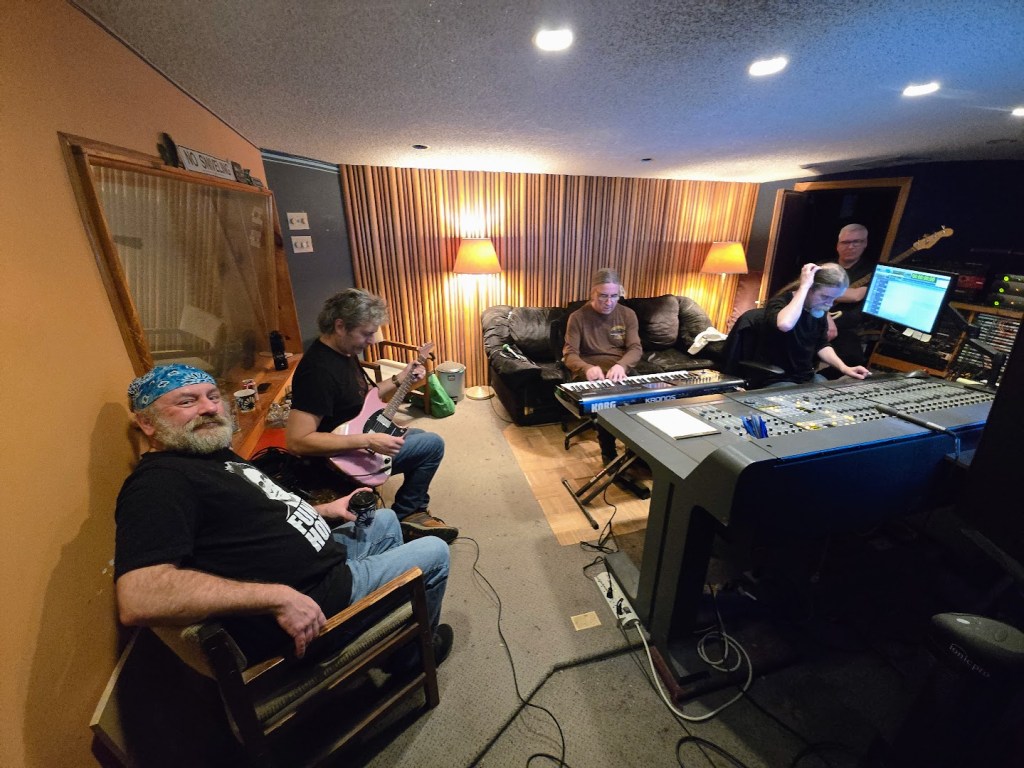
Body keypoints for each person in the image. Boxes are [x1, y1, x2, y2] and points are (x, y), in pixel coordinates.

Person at [114, 364, 453, 666]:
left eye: (213, 397)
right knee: (434, 552)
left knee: (387, 521)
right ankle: (412, 657)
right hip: (314, 600)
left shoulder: (210, 456)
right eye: (187, 402)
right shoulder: (159, 483)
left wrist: (324, 510)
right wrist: (278, 598)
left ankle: (394, 631)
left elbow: (257, 518)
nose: (209, 408)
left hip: (319, 565)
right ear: (147, 422)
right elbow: (139, 596)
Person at [286, 289, 457, 544]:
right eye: (366, 333)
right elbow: (297, 441)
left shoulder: (344, 352)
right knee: (432, 445)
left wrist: (402, 377)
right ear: (340, 326)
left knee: (418, 435)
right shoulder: (317, 372)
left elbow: (366, 397)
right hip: (338, 462)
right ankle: (407, 514)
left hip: (356, 441)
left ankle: (412, 511)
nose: (372, 341)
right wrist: (368, 440)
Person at [562, 267, 642, 462]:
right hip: (591, 373)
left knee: (643, 402)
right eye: (603, 296)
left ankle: (636, 455)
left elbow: (635, 348)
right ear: (593, 294)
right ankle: (609, 455)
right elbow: (569, 354)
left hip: (619, 370)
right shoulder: (578, 317)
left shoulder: (628, 314)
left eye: (614, 296)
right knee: (607, 405)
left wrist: (622, 365)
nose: (609, 302)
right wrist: (586, 368)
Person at [762, 262, 872, 386]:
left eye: (834, 298)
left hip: (805, 377)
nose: (829, 304)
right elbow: (785, 325)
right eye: (825, 297)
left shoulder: (818, 309)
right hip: (777, 379)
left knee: (834, 391)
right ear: (810, 288)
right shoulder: (780, 302)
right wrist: (804, 286)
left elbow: (821, 344)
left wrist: (844, 368)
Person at [823, 223, 874, 373]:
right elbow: (807, 293)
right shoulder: (824, 267)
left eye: (856, 242)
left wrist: (823, 291)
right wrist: (825, 315)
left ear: (865, 243)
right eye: (845, 242)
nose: (850, 246)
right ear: (838, 245)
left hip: (848, 329)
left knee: (851, 357)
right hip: (820, 318)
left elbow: (855, 296)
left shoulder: (871, 271)